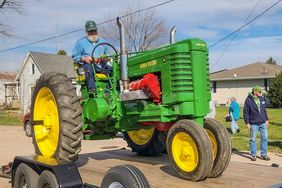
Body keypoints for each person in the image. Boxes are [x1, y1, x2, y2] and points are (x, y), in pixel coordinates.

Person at [72, 20, 112, 93]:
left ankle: (108, 92)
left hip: (101, 66)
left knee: (114, 70)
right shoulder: (80, 42)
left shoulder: (103, 41)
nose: (93, 33)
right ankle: (92, 89)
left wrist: (106, 58)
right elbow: (75, 56)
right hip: (86, 66)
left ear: (97, 30)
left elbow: (109, 54)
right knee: (89, 67)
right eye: (90, 31)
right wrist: (85, 58)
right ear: (86, 32)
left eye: (94, 31)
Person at [243, 86, 270, 161]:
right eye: (259, 92)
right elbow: (245, 112)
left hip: (263, 122)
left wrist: (266, 119)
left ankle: (263, 154)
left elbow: (264, 110)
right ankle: (253, 155)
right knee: (253, 139)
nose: (261, 93)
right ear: (255, 92)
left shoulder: (262, 98)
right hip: (253, 123)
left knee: (265, 138)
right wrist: (247, 122)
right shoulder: (248, 100)